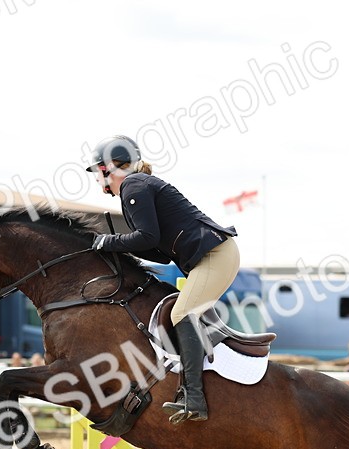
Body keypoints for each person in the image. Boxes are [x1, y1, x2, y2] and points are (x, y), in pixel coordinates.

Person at [85, 134, 239, 424]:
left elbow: (147, 237)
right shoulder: (137, 187)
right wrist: (119, 248)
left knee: (182, 313)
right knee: (180, 312)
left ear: (108, 168)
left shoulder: (133, 185)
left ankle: (194, 397)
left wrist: (108, 242)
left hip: (215, 255)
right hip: (210, 256)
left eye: (98, 172)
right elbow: (159, 252)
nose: (97, 180)